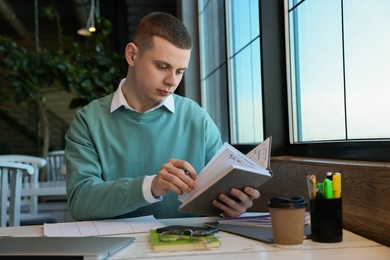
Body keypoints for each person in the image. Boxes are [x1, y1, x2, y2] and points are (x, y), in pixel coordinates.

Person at [65, 12, 260, 221]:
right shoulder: (88, 121)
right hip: (115, 248)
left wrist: (233, 205)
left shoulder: (198, 119)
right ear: (132, 55)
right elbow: (80, 201)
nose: (171, 81)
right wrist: (152, 186)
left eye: (180, 71)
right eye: (162, 66)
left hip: (189, 245)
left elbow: (218, 193)